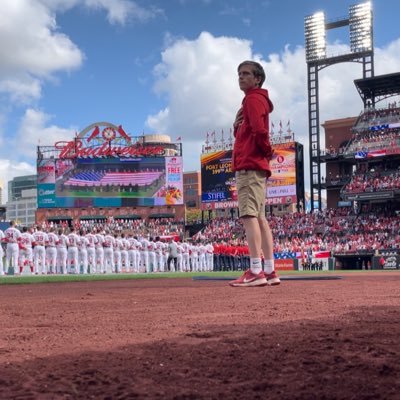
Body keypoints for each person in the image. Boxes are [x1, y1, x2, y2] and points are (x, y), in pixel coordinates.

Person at [229, 60, 280, 287]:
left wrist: (267, 151)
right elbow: (249, 132)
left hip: (249, 165)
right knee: (259, 218)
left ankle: (255, 271)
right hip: (255, 165)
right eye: (239, 73)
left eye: (246, 73)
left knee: (249, 216)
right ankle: (269, 270)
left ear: (257, 78)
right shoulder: (254, 100)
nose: (241, 77)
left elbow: (259, 132)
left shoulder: (252, 98)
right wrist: (236, 127)